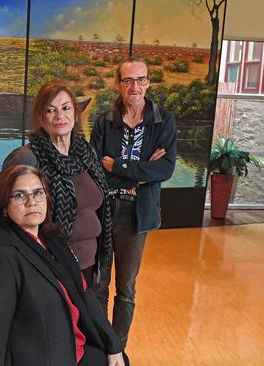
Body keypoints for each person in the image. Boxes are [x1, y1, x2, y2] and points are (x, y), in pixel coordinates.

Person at [0, 165, 126, 366]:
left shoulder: (52, 238)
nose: (31, 201)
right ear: (4, 206)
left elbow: (83, 295)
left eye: (38, 193)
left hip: (72, 348)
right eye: (19, 195)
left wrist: (113, 345)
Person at [90, 57, 176, 348]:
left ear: (148, 83)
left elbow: (165, 169)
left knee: (125, 288)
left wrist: (119, 167)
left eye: (141, 80)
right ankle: (100, 345)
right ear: (118, 85)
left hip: (136, 214)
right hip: (103, 211)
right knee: (99, 285)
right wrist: (140, 174)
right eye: (128, 80)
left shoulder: (163, 120)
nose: (135, 86)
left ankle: (117, 348)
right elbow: (96, 171)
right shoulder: (104, 123)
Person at [2, 82, 112, 287]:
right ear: (41, 118)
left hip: (91, 266)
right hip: (51, 268)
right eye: (50, 110)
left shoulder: (86, 153)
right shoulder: (27, 157)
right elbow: (5, 215)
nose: (59, 116)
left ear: (76, 114)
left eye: (66, 108)